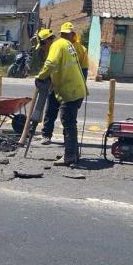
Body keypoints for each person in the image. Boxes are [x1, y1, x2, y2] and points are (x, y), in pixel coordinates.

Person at [35, 22, 88, 166]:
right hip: (77, 89)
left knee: (68, 122)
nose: (43, 49)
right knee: (71, 123)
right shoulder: (66, 45)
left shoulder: (56, 46)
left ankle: (69, 157)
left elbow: (51, 63)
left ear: (46, 41)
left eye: (43, 46)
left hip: (70, 91)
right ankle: (73, 154)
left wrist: (40, 77)